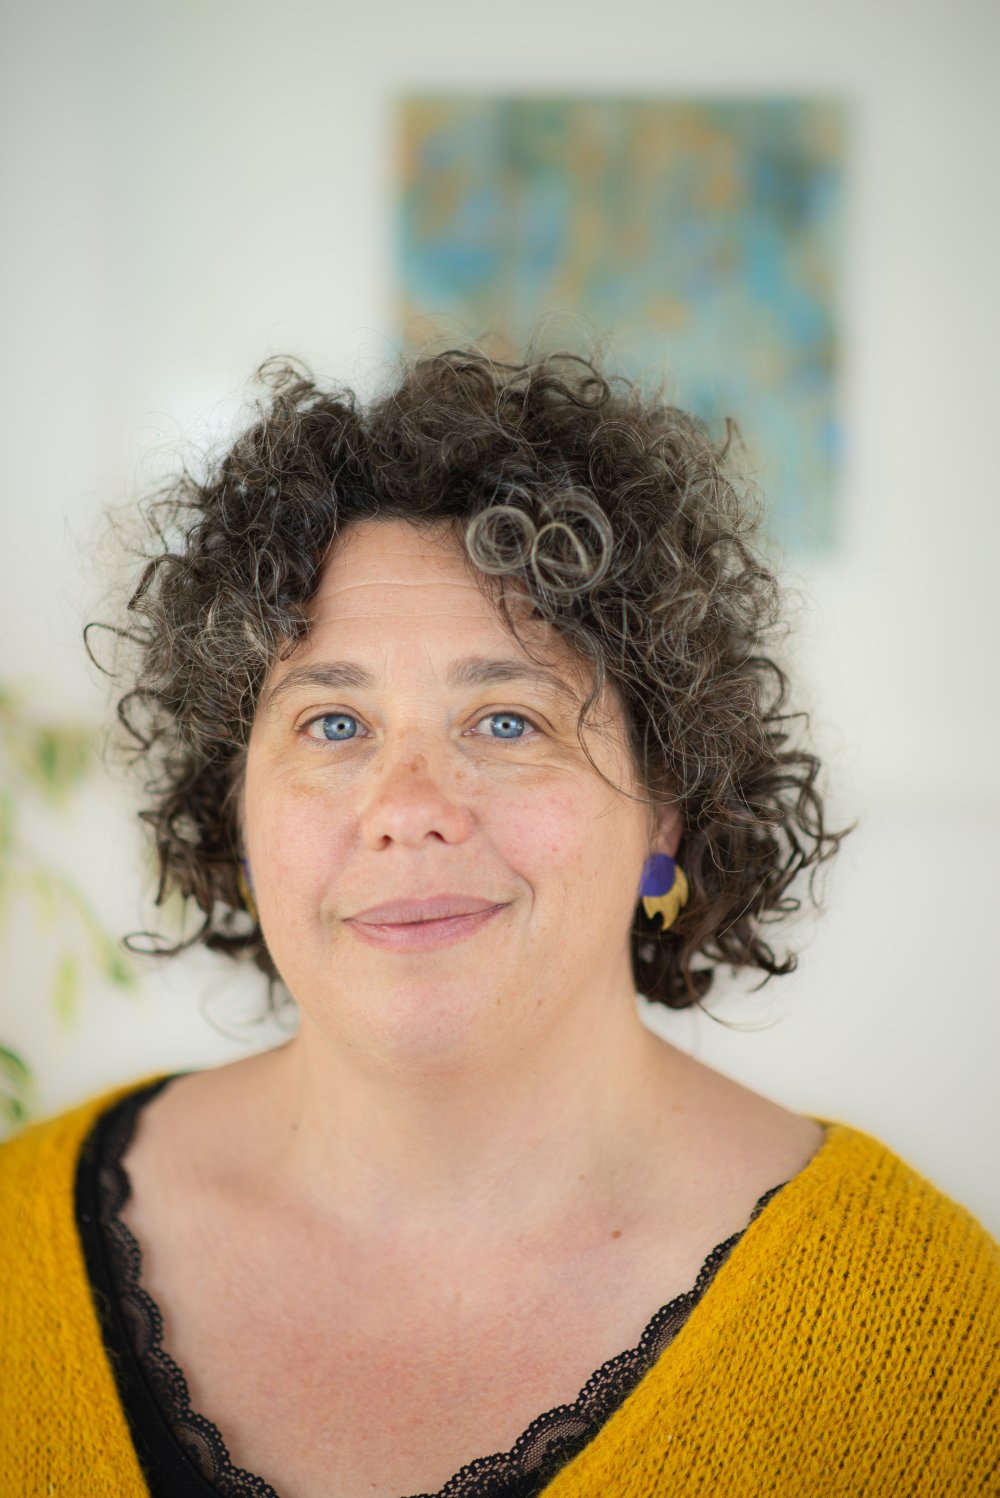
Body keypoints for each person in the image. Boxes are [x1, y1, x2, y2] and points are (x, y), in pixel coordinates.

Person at [1, 346, 997, 1498]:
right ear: (234, 804)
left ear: (664, 808)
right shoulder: (19, 1245)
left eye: (506, 720)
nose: (408, 807)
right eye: (333, 724)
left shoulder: (922, 1344)